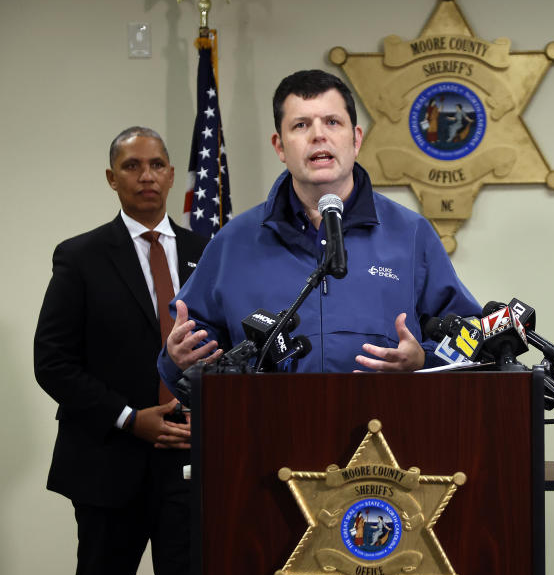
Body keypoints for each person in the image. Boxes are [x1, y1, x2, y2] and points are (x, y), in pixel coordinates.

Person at [159, 69, 479, 383]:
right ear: (280, 146)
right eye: (301, 125)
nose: (318, 135)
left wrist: (425, 359)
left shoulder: (410, 234)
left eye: (332, 122)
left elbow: (471, 335)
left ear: (355, 139)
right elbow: (188, 353)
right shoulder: (233, 242)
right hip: (269, 430)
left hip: (386, 429)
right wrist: (177, 361)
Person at [34, 127, 208, 575]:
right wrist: (131, 418)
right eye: (132, 166)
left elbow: (229, 350)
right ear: (112, 179)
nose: (146, 175)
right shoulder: (80, 257)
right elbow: (52, 362)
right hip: (108, 463)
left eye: (155, 165)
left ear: (172, 175)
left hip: (189, 462)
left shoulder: (209, 252)